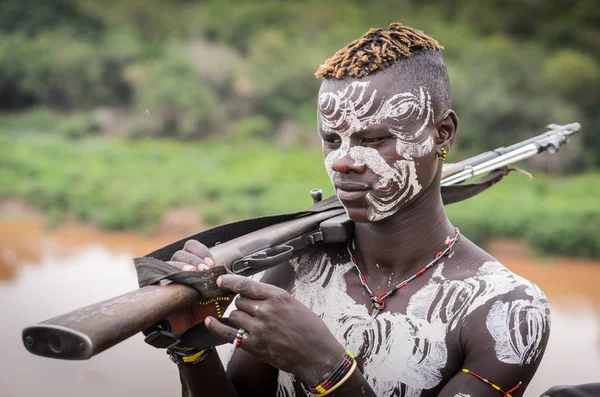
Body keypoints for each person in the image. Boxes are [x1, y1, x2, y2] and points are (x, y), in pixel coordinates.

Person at [162, 23, 551, 397]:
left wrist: (326, 367)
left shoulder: (506, 311)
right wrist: (193, 346)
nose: (343, 161)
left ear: (442, 133)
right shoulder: (297, 267)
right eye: (331, 140)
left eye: (374, 139)